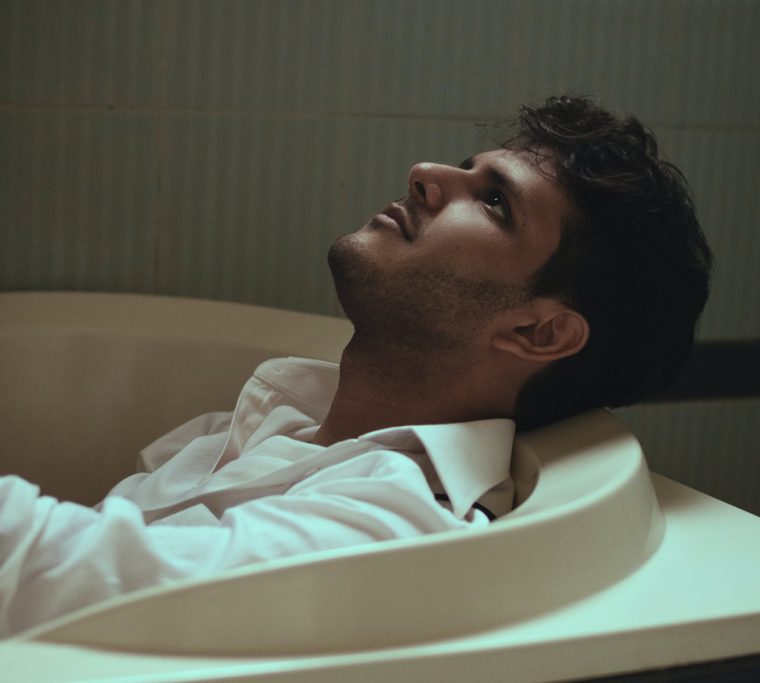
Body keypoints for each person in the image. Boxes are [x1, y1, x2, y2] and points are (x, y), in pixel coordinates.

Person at [0, 96, 712, 637]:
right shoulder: (276, 416)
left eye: (495, 200)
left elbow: (59, 581)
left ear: (538, 329)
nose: (428, 174)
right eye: (468, 170)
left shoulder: (394, 525)